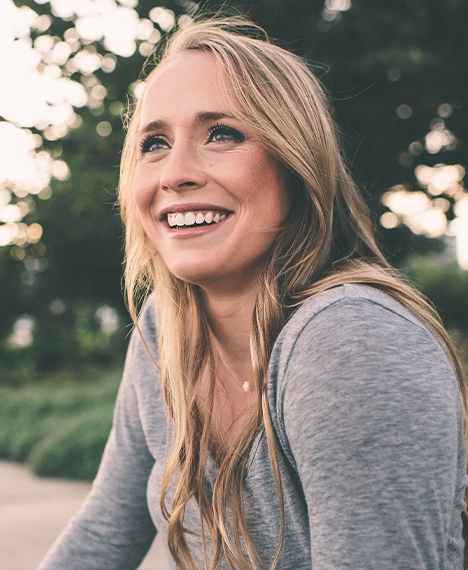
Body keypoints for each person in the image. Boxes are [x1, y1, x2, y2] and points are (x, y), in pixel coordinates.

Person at [39, 16, 467, 570]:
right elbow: (101, 533)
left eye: (222, 133)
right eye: (154, 143)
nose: (175, 173)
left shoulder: (351, 342)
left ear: (296, 161)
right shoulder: (164, 326)